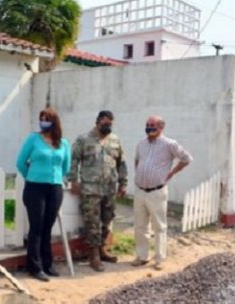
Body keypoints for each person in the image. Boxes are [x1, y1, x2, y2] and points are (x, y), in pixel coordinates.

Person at [16, 107, 71, 282]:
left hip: (54, 188)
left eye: (47, 119)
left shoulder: (63, 143)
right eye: (41, 119)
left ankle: (48, 264)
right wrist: (31, 176)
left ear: (54, 122)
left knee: (48, 227)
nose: (43, 122)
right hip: (35, 188)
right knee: (37, 227)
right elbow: (20, 162)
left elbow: (66, 166)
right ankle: (35, 266)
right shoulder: (33, 139)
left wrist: (54, 177)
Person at [131, 115, 192, 270]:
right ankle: (142, 256)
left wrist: (172, 173)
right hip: (140, 191)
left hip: (156, 191)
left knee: (159, 226)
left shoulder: (169, 144)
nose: (149, 127)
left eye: (152, 125)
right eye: (147, 124)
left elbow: (186, 158)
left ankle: (159, 259)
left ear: (160, 127)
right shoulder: (141, 144)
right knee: (140, 226)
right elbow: (137, 161)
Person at [69, 110, 127, 271]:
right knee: (92, 222)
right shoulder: (83, 139)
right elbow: (74, 160)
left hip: (109, 189)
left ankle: (102, 249)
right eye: (105, 123)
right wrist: (73, 180)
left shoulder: (115, 140)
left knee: (107, 220)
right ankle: (93, 255)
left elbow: (121, 163)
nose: (108, 126)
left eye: (110, 124)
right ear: (97, 122)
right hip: (90, 189)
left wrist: (123, 183)